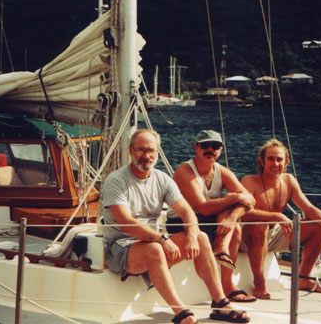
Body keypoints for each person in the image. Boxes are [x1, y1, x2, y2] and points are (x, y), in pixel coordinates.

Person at [102, 129, 250, 324]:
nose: (146, 156)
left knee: (201, 237)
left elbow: (187, 212)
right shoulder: (116, 180)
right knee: (155, 248)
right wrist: (162, 238)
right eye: (141, 150)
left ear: (157, 152)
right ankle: (181, 312)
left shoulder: (162, 179)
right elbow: (126, 223)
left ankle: (220, 303)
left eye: (151, 150)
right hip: (120, 248)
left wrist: (190, 236)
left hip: (152, 242)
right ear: (131, 150)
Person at [240, 138, 321, 299]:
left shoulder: (288, 180)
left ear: (286, 162)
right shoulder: (249, 181)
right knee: (260, 226)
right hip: (248, 237)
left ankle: (303, 278)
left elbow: (308, 208)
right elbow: (244, 214)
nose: (275, 164)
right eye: (271, 159)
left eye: (279, 159)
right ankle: (259, 283)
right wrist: (276, 215)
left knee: (319, 228)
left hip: (275, 233)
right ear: (262, 161)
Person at [166, 130, 256, 303]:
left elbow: (250, 201)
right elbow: (204, 208)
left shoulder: (222, 171)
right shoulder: (185, 171)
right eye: (205, 145)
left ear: (220, 149)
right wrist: (234, 197)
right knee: (229, 201)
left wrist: (231, 218)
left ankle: (227, 279)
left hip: (205, 221)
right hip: (181, 222)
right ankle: (222, 259)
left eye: (215, 146)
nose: (210, 149)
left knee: (235, 227)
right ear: (196, 147)